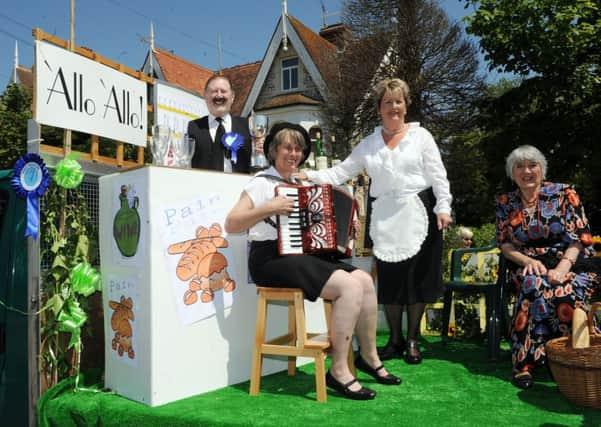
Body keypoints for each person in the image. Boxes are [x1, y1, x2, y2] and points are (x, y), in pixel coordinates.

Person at [225, 122, 401, 400]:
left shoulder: (303, 183)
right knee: (348, 287)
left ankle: (369, 356)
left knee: (364, 280)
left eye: (298, 148)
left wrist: (347, 224)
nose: (294, 153)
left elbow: (322, 223)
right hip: (269, 258)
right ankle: (339, 370)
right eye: (287, 147)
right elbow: (232, 223)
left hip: (299, 254)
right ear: (274, 151)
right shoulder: (261, 182)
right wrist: (269, 207)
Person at [294, 78, 453, 365]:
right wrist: (311, 176)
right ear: (379, 108)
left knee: (417, 278)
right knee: (391, 279)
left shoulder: (422, 137)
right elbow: (342, 171)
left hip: (421, 210)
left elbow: (439, 175)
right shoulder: (368, 144)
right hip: (385, 214)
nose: (394, 107)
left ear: (406, 105)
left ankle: (413, 339)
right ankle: (395, 339)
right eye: (388, 102)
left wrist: (444, 206)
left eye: (399, 101)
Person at [495, 145, 600, 389]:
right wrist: (528, 262)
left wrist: (562, 268)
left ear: (542, 169)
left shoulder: (564, 193)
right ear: (512, 173)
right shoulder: (505, 202)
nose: (526, 171)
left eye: (532, 165)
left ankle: (574, 357)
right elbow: (505, 244)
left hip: (573, 261)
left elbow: (580, 238)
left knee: (565, 290)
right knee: (533, 284)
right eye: (519, 166)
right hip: (528, 263)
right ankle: (525, 364)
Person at [188, 74, 252, 173]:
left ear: (232, 97)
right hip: (204, 187)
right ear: (205, 96)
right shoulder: (194, 127)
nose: (219, 95)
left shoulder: (247, 126)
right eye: (214, 91)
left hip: (239, 187)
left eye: (223, 91)